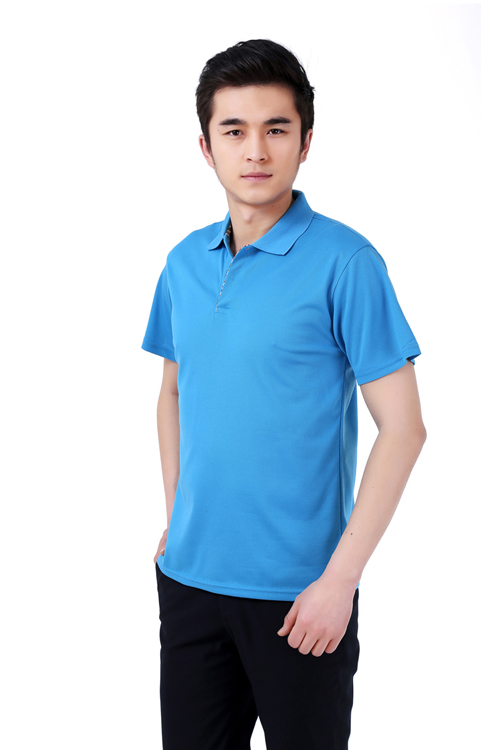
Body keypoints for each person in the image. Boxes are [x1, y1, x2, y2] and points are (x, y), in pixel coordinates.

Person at [141, 39, 426, 750]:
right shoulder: (183, 263)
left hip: (301, 597)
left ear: (305, 142)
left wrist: (339, 582)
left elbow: (404, 429)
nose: (256, 151)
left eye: (276, 129)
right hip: (190, 585)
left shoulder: (347, 262)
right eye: (234, 130)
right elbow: (172, 394)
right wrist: (178, 515)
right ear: (206, 148)